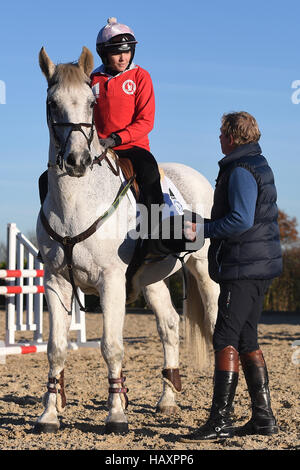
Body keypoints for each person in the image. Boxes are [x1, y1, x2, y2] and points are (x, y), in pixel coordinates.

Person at [181, 111, 283, 441]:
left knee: (224, 337)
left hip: (243, 267)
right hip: (257, 265)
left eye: (221, 133)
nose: (218, 138)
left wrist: (202, 230)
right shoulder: (256, 163)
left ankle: (221, 419)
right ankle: (263, 418)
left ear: (233, 136)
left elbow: (240, 220)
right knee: (247, 339)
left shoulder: (240, 170)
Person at [91, 17, 164, 235]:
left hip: (132, 147)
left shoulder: (141, 77)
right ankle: (52, 238)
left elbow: (146, 121)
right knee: (49, 177)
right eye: (116, 52)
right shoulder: (92, 79)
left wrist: (117, 138)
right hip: (98, 148)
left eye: (127, 51)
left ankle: (153, 236)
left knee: (150, 171)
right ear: (104, 53)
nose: (123, 57)